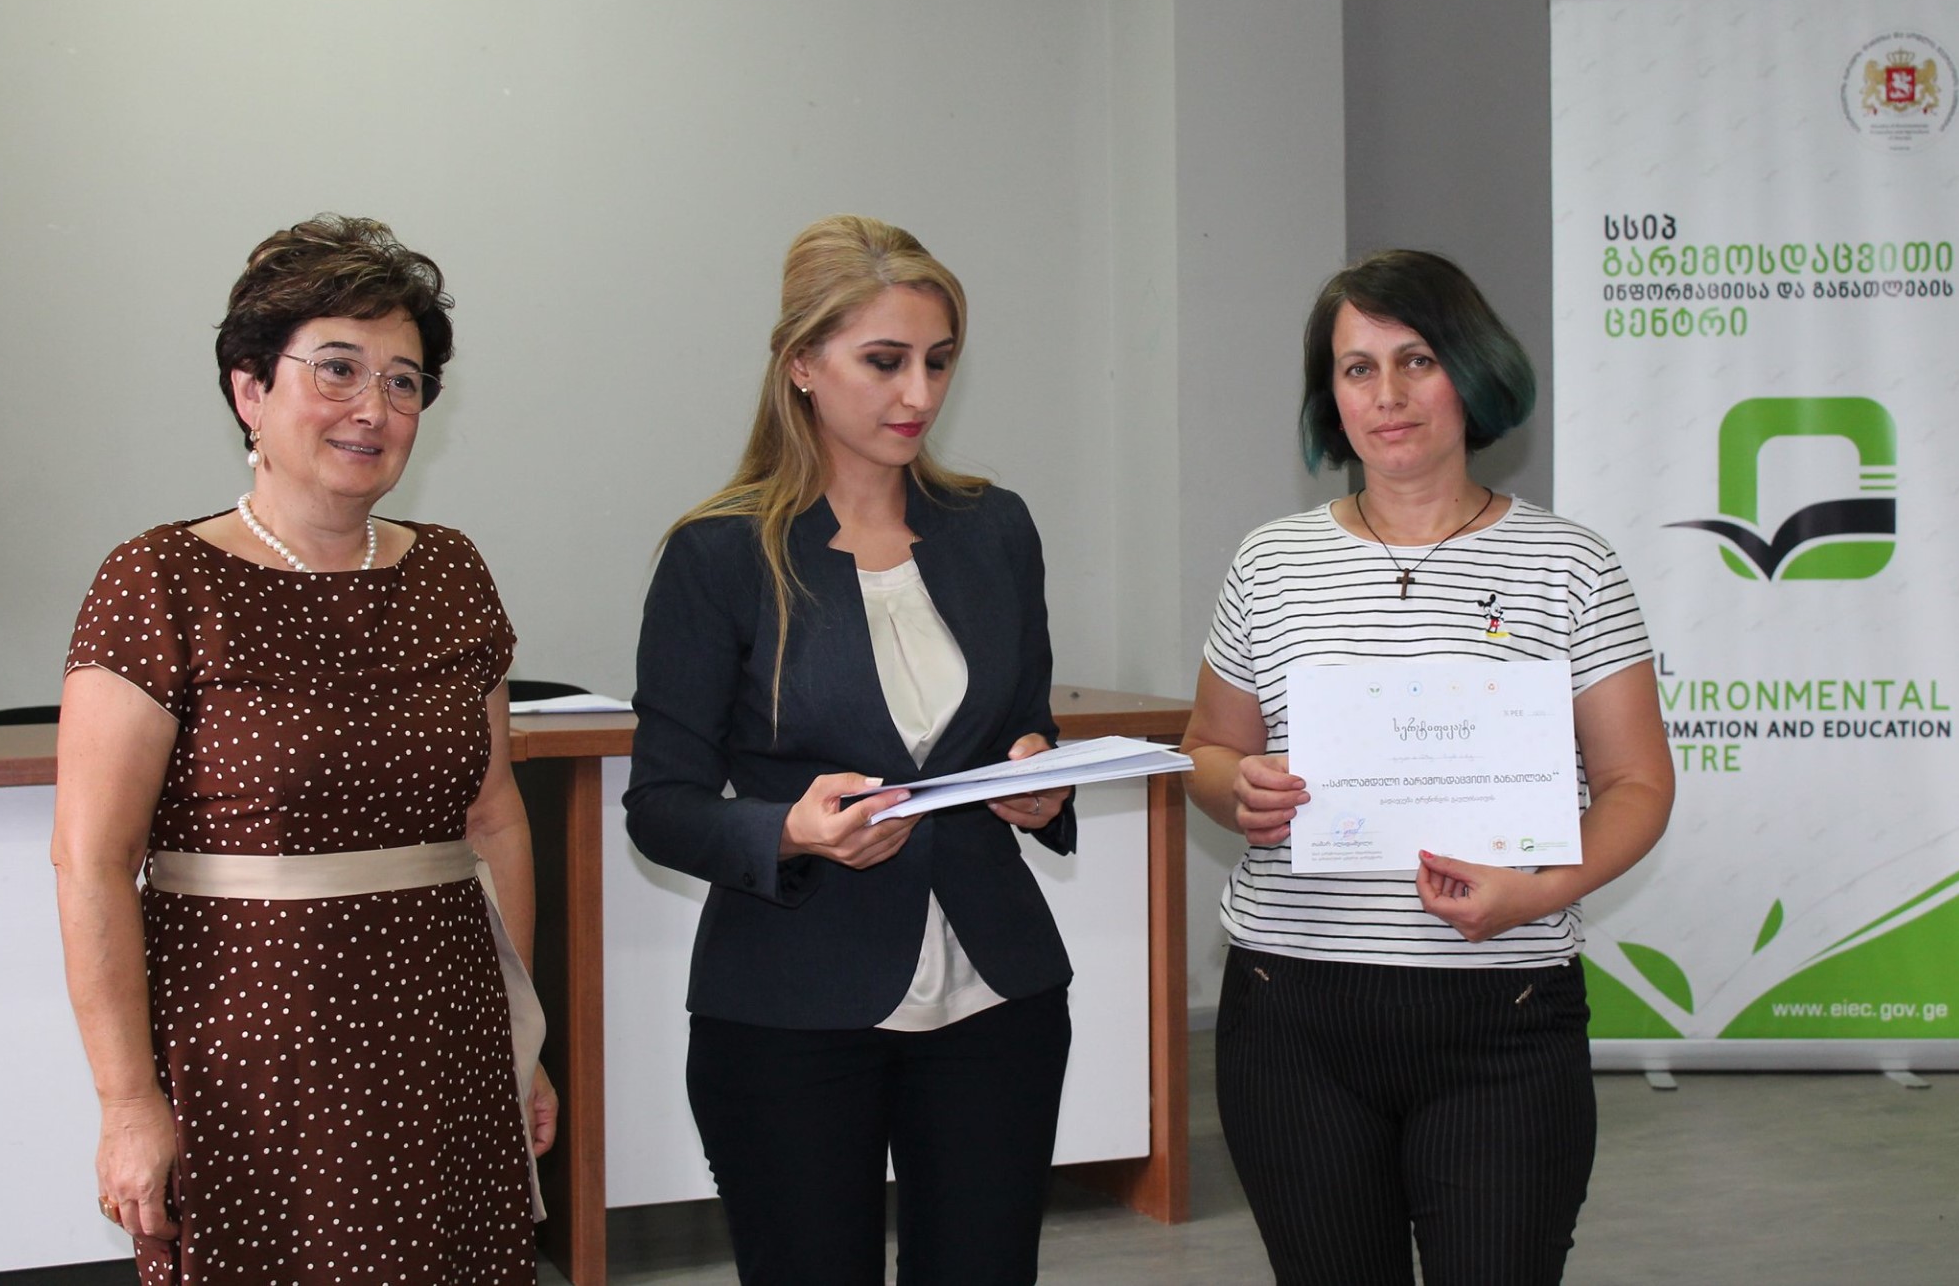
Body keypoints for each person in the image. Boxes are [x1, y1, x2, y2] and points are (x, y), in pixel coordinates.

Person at [51, 215, 557, 1285]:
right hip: (253, 1065)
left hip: (448, 1044)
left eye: (404, 382)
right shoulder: (158, 581)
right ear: (250, 389)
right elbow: (92, 859)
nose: (373, 407)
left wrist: (524, 1043)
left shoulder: (453, 573)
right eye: (337, 369)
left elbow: (494, 817)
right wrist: (127, 1101)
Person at [1180, 250, 1674, 1285]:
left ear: (1471, 371)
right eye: (1356, 369)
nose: (1387, 395)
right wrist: (1238, 788)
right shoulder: (1270, 562)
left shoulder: (1569, 564)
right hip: (1290, 1016)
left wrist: (1536, 890)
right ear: (1330, 395)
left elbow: (1636, 784)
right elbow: (1207, 750)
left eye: (1417, 360)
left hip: (1503, 1018)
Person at [625, 215, 1074, 1286]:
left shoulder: (995, 529)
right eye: (884, 361)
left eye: (938, 361)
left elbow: (1027, 725)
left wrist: (1037, 781)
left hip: (996, 995)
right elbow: (662, 804)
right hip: (789, 1007)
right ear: (801, 364)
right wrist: (787, 831)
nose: (918, 393)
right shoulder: (719, 554)